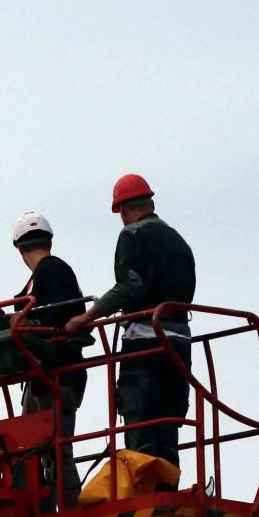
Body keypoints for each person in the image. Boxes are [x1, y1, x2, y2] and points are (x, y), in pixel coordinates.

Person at [64, 174, 195, 469]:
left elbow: (130, 286)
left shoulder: (133, 235)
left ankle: (145, 487)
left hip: (145, 343)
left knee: (141, 418)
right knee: (167, 421)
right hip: (180, 343)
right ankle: (167, 486)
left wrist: (86, 318)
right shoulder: (177, 240)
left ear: (122, 210)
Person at [7, 211, 85, 507]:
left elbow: (53, 318)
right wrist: (5, 318)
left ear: (19, 248)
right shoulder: (39, 279)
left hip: (57, 373)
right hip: (44, 377)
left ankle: (68, 509)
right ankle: (46, 506)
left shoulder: (52, 271)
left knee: (56, 447)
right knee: (37, 448)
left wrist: (24, 322)